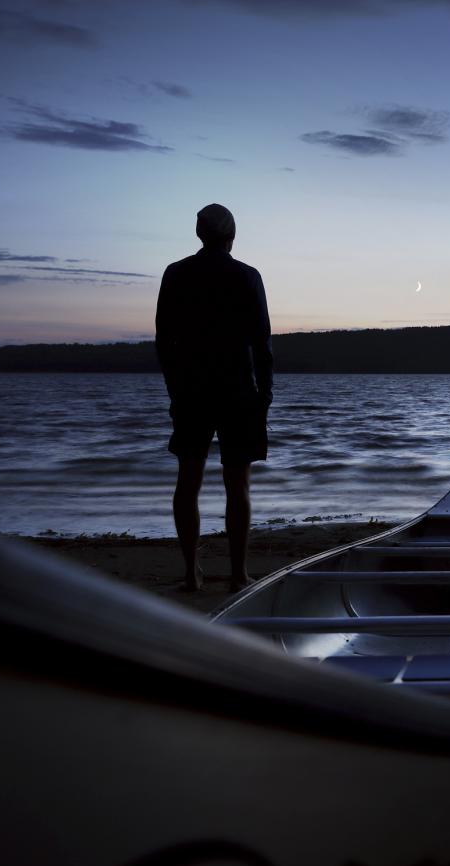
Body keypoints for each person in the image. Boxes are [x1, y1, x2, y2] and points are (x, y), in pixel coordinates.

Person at [155, 203, 273, 592]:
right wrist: (266, 392)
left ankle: (193, 573)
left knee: (188, 479)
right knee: (237, 483)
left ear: (199, 233)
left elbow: (164, 341)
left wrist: (174, 388)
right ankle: (238, 575)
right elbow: (262, 342)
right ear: (231, 236)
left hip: (191, 390)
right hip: (238, 390)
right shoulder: (247, 276)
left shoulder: (176, 274)